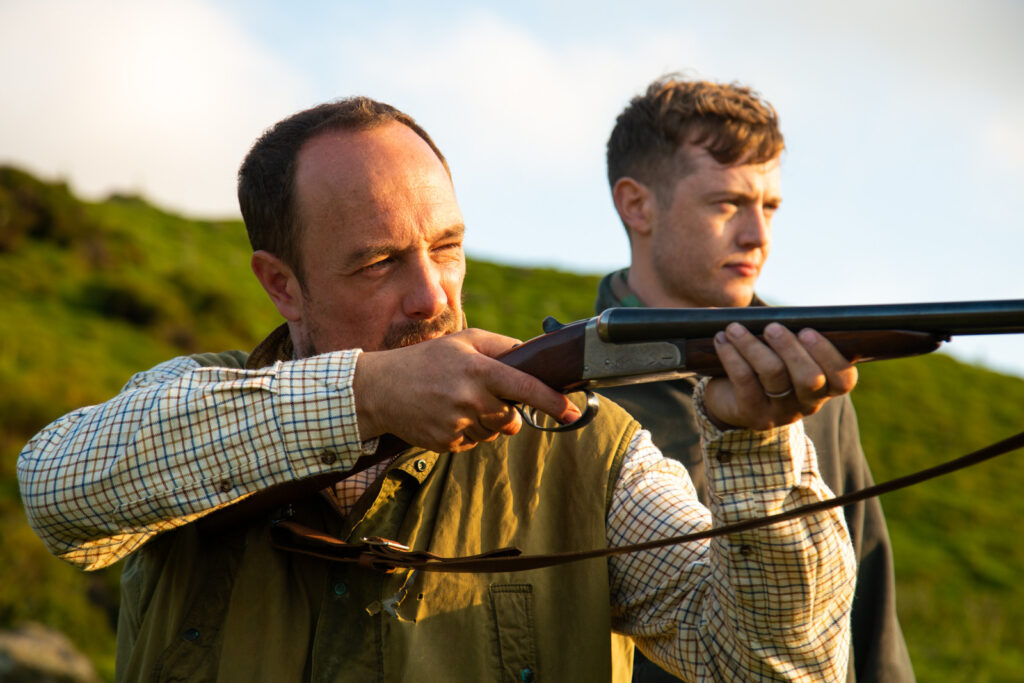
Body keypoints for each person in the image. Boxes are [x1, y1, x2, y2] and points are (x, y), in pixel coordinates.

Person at [19, 97, 858, 682]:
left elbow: (770, 669)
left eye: (446, 246)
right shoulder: (191, 407)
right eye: (379, 261)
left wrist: (753, 446)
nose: (433, 296)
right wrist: (370, 395)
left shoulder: (591, 453)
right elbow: (56, 485)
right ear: (281, 284)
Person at [597, 76, 915, 682]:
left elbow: (867, 607)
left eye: (768, 207)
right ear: (637, 205)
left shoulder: (806, 385)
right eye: (726, 204)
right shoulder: (566, 399)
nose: (758, 236)